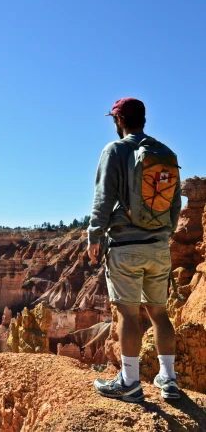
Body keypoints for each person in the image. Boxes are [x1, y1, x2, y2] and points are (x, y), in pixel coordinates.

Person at [88, 97, 182, 402]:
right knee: (159, 313)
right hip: (158, 246)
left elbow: (103, 200)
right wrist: (163, 234)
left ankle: (129, 382)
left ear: (119, 121)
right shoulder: (164, 154)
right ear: (143, 119)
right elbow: (174, 204)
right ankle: (168, 380)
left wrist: (93, 237)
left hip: (126, 246)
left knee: (128, 313)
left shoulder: (114, 150)